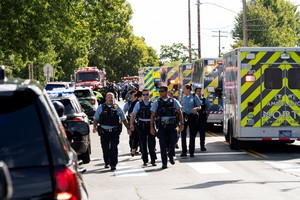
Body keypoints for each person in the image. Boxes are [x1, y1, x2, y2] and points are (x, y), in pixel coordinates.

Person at [93, 92, 131, 171]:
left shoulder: (117, 107)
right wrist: (94, 126)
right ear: (106, 98)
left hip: (114, 131)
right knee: (105, 148)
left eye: (112, 97)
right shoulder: (101, 107)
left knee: (113, 148)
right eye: (109, 97)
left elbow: (123, 118)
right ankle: (107, 162)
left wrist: (128, 128)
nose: (110, 99)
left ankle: (113, 164)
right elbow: (96, 118)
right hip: (104, 131)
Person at [150, 85, 184, 169]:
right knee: (163, 145)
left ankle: (171, 154)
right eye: (160, 91)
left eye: (162, 91)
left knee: (174, 140)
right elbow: (153, 115)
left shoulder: (173, 101)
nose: (161, 93)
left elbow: (180, 113)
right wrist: (152, 127)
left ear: (166, 92)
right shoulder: (157, 102)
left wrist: (182, 124)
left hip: (172, 125)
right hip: (162, 126)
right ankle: (164, 163)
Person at [130, 89, 157, 166]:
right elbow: (133, 115)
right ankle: (145, 160)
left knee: (152, 143)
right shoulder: (138, 104)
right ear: (142, 96)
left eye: (147, 94)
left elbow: (156, 115)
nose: (145, 96)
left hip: (150, 124)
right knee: (143, 143)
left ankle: (153, 160)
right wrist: (131, 124)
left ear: (149, 95)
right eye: (144, 94)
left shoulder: (153, 104)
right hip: (141, 125)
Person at [180, 84, 201, 157]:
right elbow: (182, 105)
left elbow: (200, 106)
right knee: (183, 134)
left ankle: (191, 151)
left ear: (188, 90)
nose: (183, 90)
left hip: (192, 116)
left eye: (185, 89)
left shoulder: (194, 96)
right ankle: (184, 151)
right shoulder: (183, 97)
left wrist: (196, 108)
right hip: (185, 116)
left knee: (192, 134)